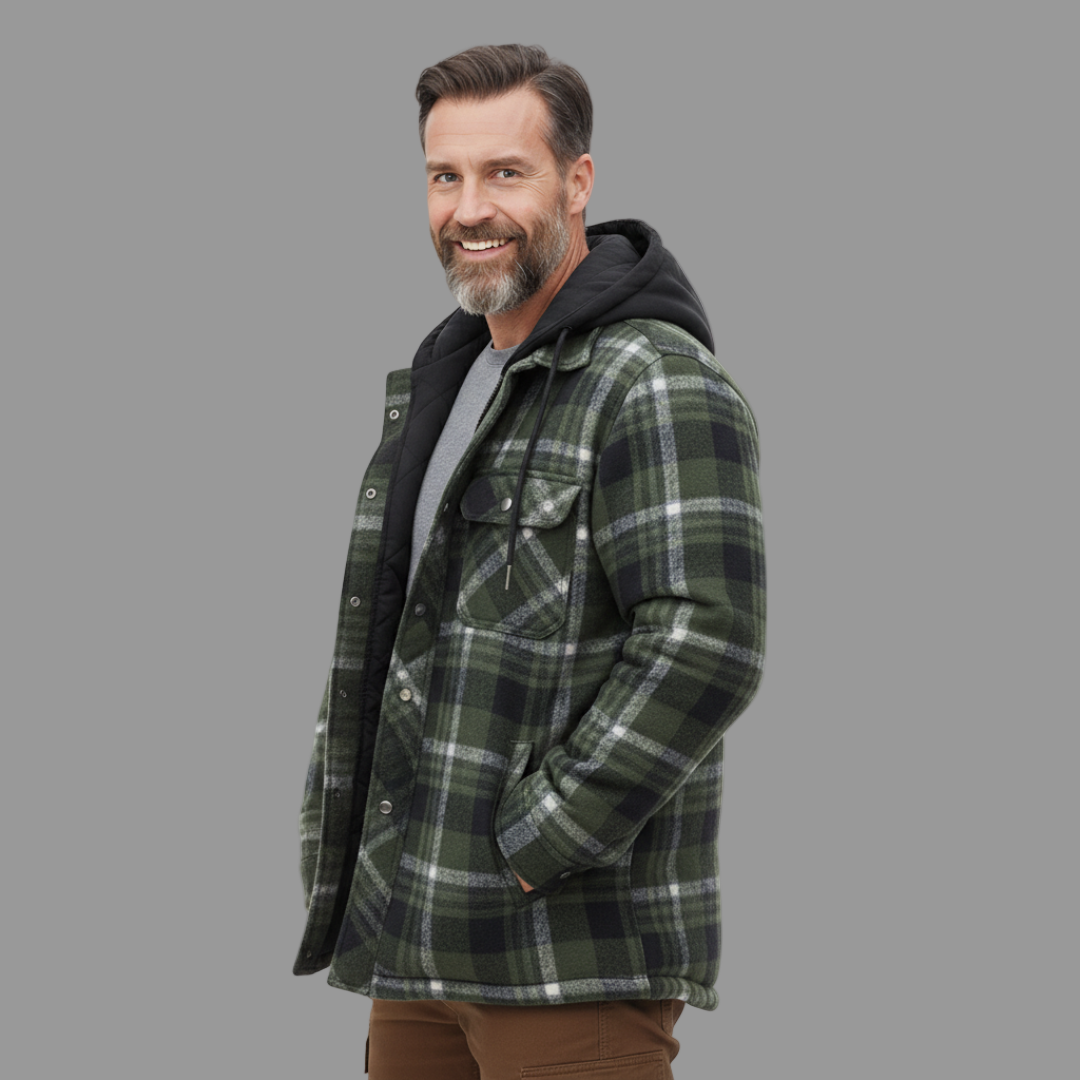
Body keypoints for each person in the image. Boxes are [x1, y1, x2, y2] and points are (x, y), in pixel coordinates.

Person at [294, 44, 766, 1079]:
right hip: (414, 934)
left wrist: (535, 843)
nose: (470, 209)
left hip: (569, 955)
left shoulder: (653, 380)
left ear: (577, 181)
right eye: (444, 176)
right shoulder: (455, 374)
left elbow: (709, 641)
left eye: (505, 172)